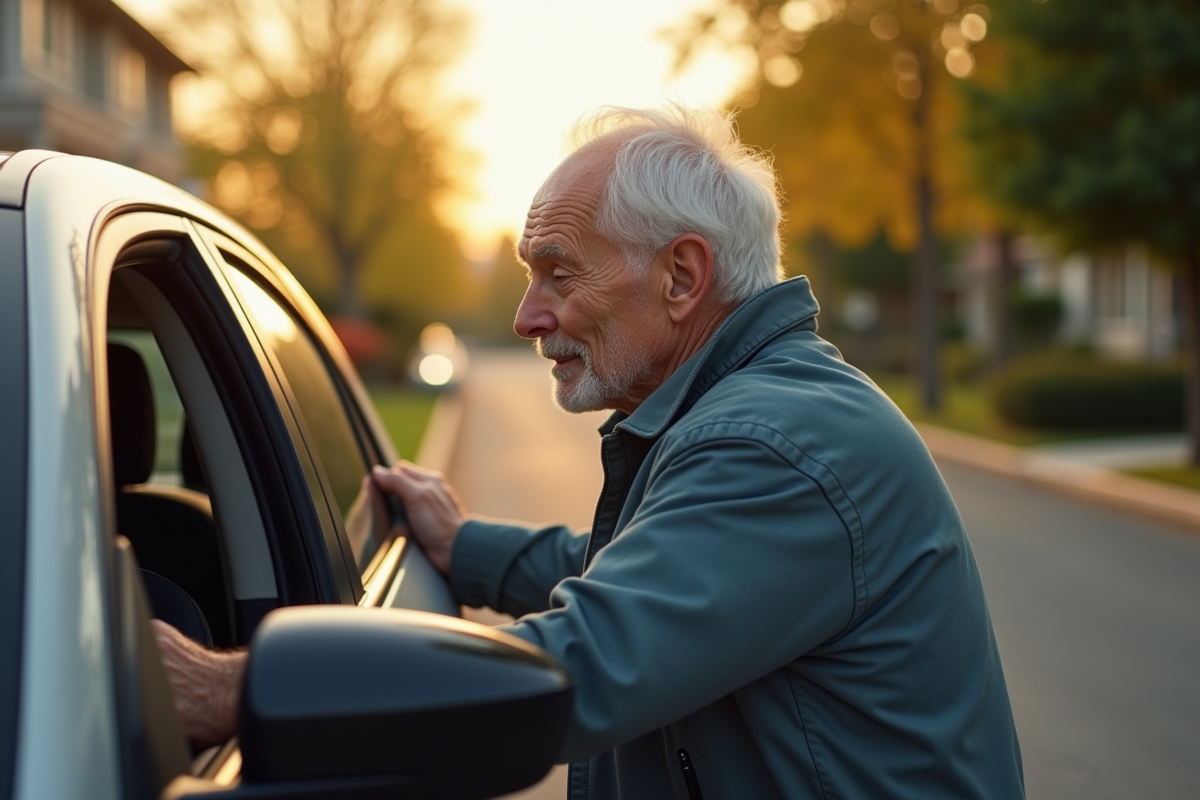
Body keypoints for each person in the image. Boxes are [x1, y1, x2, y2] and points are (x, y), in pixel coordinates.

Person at [155, 105, 1025, 799]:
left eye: (559, 272)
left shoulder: (772, 446)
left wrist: (232, 691)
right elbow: (661, 584)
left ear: (682, 277)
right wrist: (467, 550)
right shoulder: (756, 408)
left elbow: (586, 664)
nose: (527, 316)